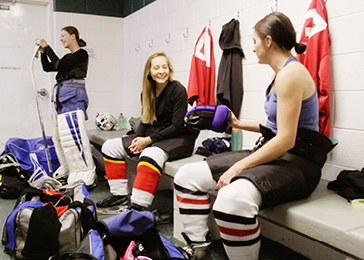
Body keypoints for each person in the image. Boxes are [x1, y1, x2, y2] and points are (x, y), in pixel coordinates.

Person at [174, 12, 335, 260]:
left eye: (255, 41)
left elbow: (286, 139)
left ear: (268, 41)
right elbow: (275, 124)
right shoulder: (279, 74)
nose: (254, 47)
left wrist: (237, 166)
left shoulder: (291, 75)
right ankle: (200, 247)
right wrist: (238, 124)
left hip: (300, 164)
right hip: (276, 155)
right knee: (187, 176)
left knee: (231, 200)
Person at [96, 52, 199, 213]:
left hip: (179, 138)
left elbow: (177, 126)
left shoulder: (178, 89)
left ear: (169, 69)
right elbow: (145, 121)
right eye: (156, 68)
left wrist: (148, 141)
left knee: (150, 155)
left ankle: (138, 207)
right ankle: (120, 195)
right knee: (110, 146)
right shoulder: (147, 92)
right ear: (149, 72)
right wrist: (137, 140)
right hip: (155, 135)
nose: (161, 71)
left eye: (164, 67)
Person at [35, 26, 96, 187]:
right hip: (62, 98)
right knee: (60, 137)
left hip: (73, 97)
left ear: (73, 36)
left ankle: (84, 171)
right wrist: (42, 53)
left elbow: (60, 65)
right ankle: (69, 168)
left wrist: (47, 47)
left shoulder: (81, 54)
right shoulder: (69, 58)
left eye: (63, 35)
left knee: (74, 136)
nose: (61, 39)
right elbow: (49, 67)